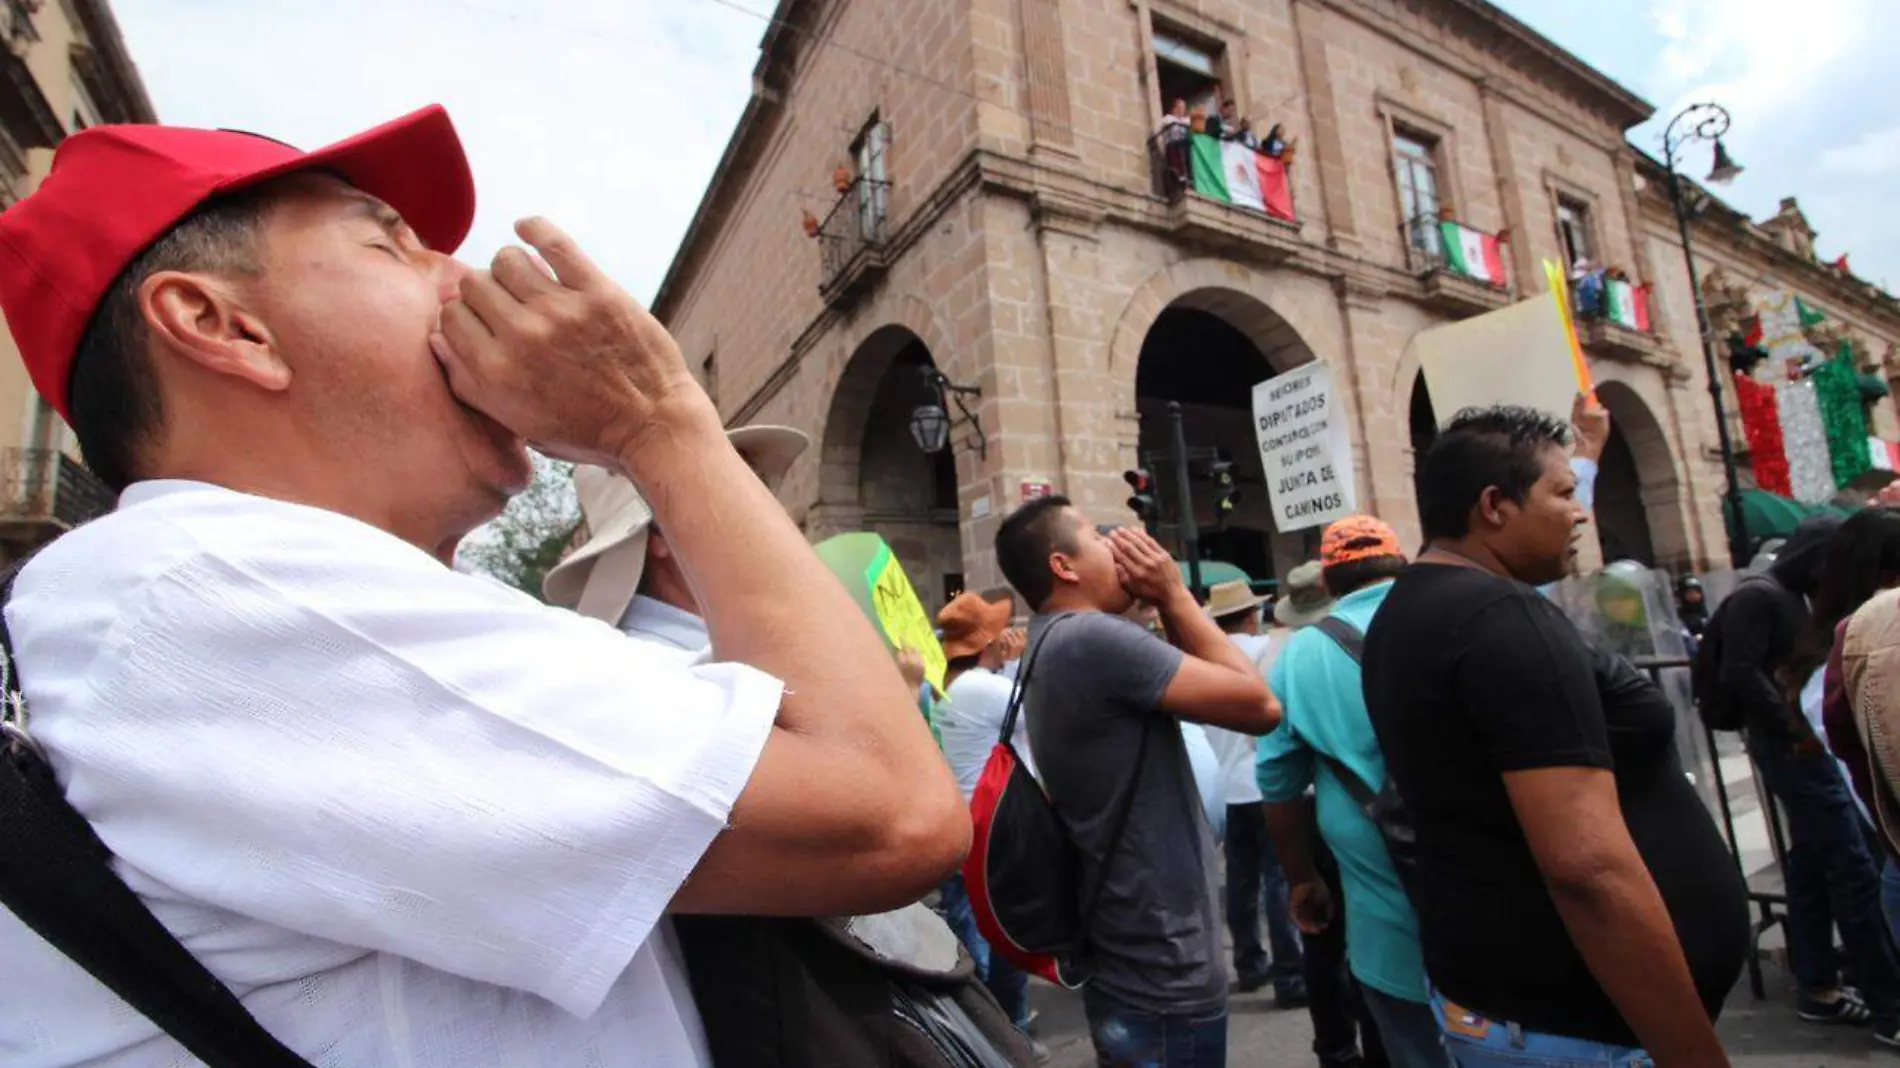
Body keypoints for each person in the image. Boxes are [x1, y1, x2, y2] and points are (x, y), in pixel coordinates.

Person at [0, 109, 967, 1066]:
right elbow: (889, 812)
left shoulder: (319, 592)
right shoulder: (211, 585)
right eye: (392, 247)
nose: (464, 278)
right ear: (224, 326)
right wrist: (659, 420)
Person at [1364, 406, 1745, 1068]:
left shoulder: (1413, 606)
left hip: (1510, 1010)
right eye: (1565, 493)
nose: (1581, 513)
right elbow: (1588, 870)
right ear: (1494, 506)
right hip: (1581, 1035)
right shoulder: (1502, 620)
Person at [994, 497, 1279, 1068]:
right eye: (1098, 537)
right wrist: (1173, 593)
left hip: (1131, 950)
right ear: (1063, 566)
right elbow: (1260, 705)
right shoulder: (1091, 640)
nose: (1118, 545)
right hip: (1161, 963)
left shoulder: (1057, 640)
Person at [1259, 517, 1451, 1068]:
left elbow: (1278, 786)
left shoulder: (1297, 660)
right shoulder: (1453, 617)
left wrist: (1301, 878)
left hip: (1386, 931)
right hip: (1497, 910)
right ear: (1401, 562)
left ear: (1327, 582)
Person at [1704, 512, 1900, 1037]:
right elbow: (1742, 673)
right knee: (1852, 866)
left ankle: (1819, 984)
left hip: (1801, 744)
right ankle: (1888, 1006)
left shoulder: (1790, 601)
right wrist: (1795, 729)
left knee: (1814, 865)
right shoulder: (1760, 598)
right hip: (1793, 749)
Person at [929, 590, 1035, 1033]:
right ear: (988, 641)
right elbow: (1038, 715)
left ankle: (983, 1023)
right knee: (1006, 932)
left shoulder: (942, 685)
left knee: (967, 930)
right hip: (992, 826)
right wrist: (1016, 664)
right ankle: (1008, 1026)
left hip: (959, 818)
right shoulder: (984, 687)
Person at [1201, 579, 1310, 1006]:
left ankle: (1249, 963)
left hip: (1224, 787)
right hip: (1264, 781)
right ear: (1251, 615)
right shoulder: (1268, 651)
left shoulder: (1207, 659)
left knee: (1242, 882)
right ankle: (1290, 975)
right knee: (1279, 880)